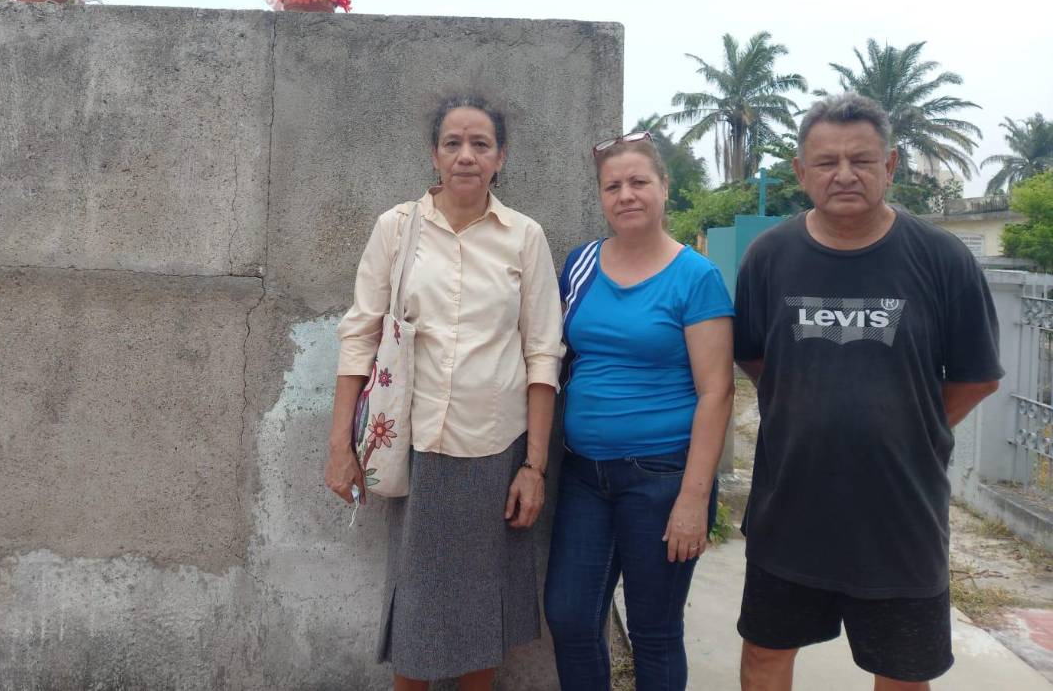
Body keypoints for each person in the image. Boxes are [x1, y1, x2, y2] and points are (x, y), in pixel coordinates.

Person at [734, 93, 1004, 691]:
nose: (845, 174)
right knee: (765, 655)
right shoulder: (768, 258)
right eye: (826, 162)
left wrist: (912, 427)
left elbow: (978, 374)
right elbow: (753, 354)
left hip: (901, 513)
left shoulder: (943, 259)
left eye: (862, 159)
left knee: (903, 672)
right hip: (790, 505)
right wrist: (806, 405)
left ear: (892, 165)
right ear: (801, 172)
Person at [324, 94, 565, 691]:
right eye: (453, 143)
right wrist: (339, 445)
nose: (466, 156)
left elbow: (543, 353)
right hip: (416, 447)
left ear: (500, 157)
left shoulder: (524, 237)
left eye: (480, 144)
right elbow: (360, 333)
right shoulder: (398, 228)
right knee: (418, 616)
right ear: (434, 154)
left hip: (495, 451)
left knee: (481, 615)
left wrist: (534, 466)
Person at [544, 131, 735, 690]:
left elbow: (717, 391)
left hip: (663, 478)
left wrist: (694, 500)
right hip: (583, 474)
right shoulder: (580, 264)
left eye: (638, 182)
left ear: (664, 189)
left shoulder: (695, 277)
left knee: (654, 630)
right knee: (571, 617)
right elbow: (552, 352)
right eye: (613, 186)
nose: (626, 195)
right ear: (601, 196)